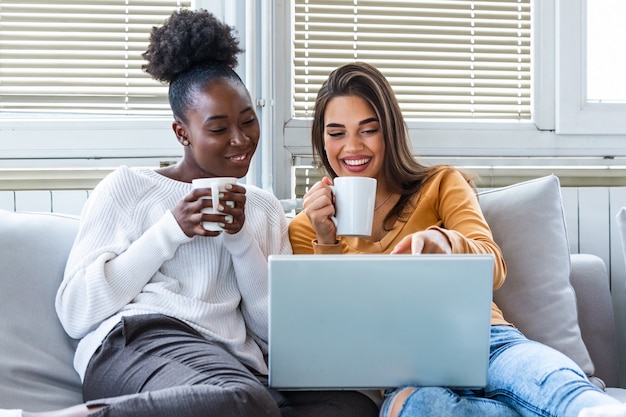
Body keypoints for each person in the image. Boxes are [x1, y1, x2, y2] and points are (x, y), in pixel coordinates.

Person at [0, 10, 378, 417]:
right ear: (182, 132)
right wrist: (171, 230)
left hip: (232, 363)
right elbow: (77, 313)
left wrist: (239, 239)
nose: (240, 140)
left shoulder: (262, 206)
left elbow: (272, 335)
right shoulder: (129, 186)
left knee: (349, 405)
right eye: (218, 129)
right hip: (139, 342)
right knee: (244, 401)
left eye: (248, 121)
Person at [288, 61, 626, 417]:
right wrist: (326, 241)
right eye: (336, 132)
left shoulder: (440, 183)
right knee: (417, 408)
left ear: (389, 132)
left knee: (546, 378)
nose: (352, 146)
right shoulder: (307, 227)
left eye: (368, 129)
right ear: (321, 140)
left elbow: (494, 267)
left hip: (484, 338)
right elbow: (333, 338)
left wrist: (447, 243)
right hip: (407, 373)